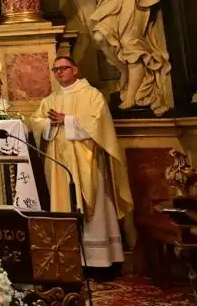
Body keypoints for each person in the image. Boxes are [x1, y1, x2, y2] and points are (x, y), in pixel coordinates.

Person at [29, 56, 134, 269]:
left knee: (95, 207)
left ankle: (100, 262)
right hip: (59, 164)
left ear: (75, 70)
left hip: (88, 161)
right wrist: (48, 123)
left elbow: (99, 122)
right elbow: (36, 121)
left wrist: (67, 121)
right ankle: (69, 259)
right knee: (63, 205)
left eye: (64, 68)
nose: (59, 73)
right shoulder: (50, 99)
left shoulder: (92, 95)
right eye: (55, 69)